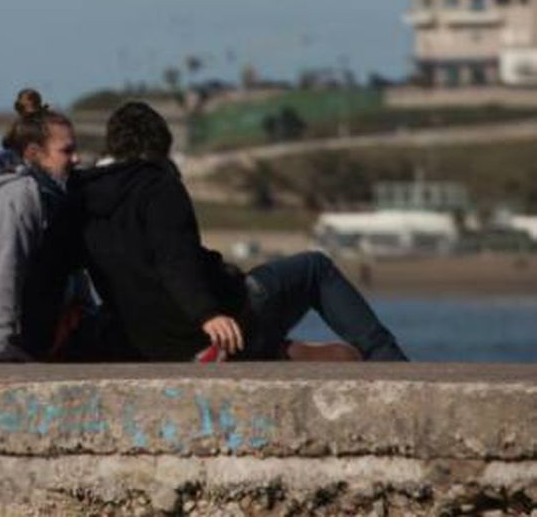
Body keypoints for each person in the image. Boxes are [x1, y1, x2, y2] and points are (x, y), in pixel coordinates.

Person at [79, 101, 407, 362]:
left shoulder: (83, 195)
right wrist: (207, 314)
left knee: (285, 347)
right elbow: (174, 260)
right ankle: (391, 364)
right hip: (211, 320)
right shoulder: (159, 186)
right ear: (159, 149)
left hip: (148, 337)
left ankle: (279, 351)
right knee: (315, 268)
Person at [0, 89, 92, 362]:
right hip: (22, 343)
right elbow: (3, 269)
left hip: (52, 339)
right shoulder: (19, 197)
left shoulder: (53, 196)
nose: (76, 159)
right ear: (34, 153)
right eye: (66, 151)